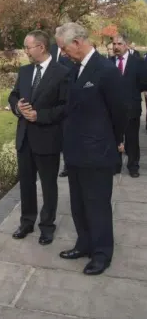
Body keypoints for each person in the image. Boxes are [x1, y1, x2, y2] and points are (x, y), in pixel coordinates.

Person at [55, 22, 127, 276]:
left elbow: (120, 112)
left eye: (64, 47)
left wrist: (112, 140)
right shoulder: (75, 69)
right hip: (75, 151)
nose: (62, 52)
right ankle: (84, 244)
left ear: (77, 42)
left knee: (97, 206)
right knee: (78, 204)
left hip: (97, 152)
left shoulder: (105, 70)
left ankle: (102, 253)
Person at [8, 30, 70, 246]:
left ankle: (47, 226)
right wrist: (17, 106)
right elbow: (13, 95)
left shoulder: (62, 72)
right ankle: (27, 222)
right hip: (24, 138)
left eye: (28, 47)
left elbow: (65, 106)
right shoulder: (24, 71)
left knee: (48, 185)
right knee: (26, 184)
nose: (25, 51)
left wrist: (39, 115)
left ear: (41, 47)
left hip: (47, 138)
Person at [110, 34, 147, 177]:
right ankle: (116, 165)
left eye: (119, 44)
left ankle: (133, 166)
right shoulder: (109, 61)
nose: (116, 47)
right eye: (114, 44)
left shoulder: (137, 62)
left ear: (126, 45)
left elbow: (143, 83)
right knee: (115, 137)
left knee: (132, 138)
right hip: (113, 109)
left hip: (132, 107)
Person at [50, 41, 74, 178]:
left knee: (67, 134)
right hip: (52, 97)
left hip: (67, 96)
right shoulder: (52, 49)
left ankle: (68, 165)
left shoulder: (70, 50)